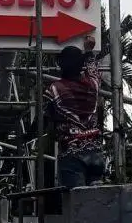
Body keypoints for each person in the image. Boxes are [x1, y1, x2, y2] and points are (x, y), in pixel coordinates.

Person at [44, 34, 105, 189]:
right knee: (98, 200)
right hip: (96, 153)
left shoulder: (54, 89)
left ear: (61, 65)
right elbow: (93, 69)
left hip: (71, 154)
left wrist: (27, 136)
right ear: (80, 66)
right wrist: (89, 51)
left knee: (77, 201)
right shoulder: (93, 84)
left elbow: (44, 119)